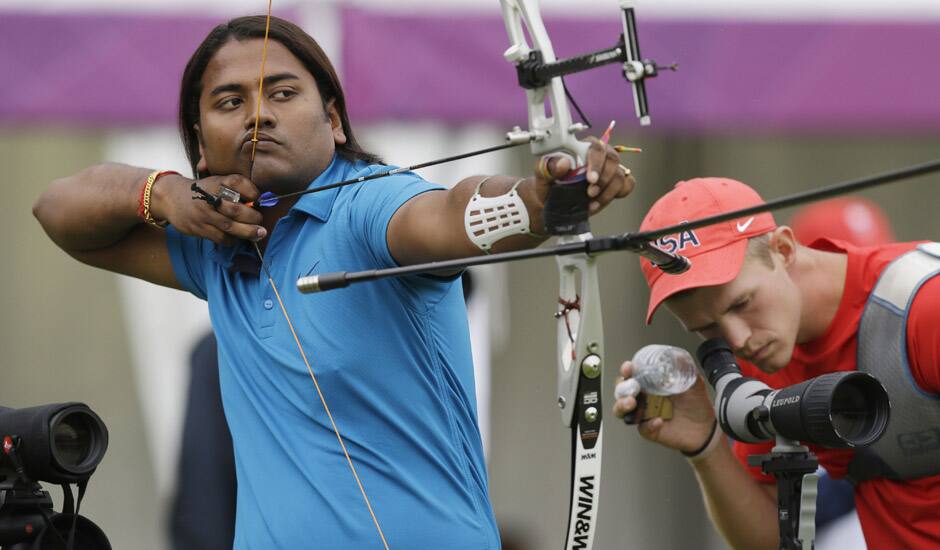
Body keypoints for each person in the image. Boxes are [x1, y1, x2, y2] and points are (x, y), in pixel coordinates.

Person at [33, 15, 634, 549]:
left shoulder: (371, 206)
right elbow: (58, 213)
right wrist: (162, 191)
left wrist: (538, 200)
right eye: (228, 102)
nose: (258, 113)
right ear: (200, 144)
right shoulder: (215, 248)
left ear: (334, 120)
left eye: (283, 92)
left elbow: (452, 214)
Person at [612, 177, 940, 549]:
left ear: (783, 249)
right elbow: (774, 539)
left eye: (741, 304)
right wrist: (704, 444)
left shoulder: (925, 307)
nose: (737, 340)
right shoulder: (762, 349)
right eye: (708, 328)